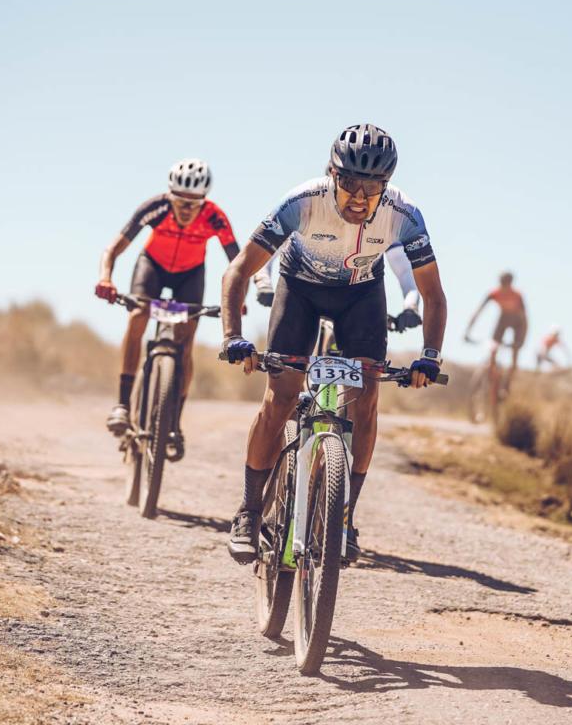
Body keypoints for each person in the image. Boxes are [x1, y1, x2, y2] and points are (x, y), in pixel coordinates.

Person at [219, 123, 448, 564]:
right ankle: (248, 512)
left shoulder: (404, 214)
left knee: (366, 398)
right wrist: (233, 336)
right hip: (299, 289)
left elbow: (433, 294)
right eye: (350, 184)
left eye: (373, 187)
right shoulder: (302, 202)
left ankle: (344, 517)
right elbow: (239, 270)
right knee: (281, 397)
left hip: (361, 295)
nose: (360, 198)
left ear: (386, 185)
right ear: (332, 174)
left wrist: (430, 356)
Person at [94, 158, 239, 459]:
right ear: (169, 195)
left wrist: (237, 299)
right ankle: (122, 405)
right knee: (138, 315)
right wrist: (105, 278)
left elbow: (238, 264)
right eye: (180, 201)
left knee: (185, 343)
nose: (186, 209)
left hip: (191, 275)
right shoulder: (156, 208)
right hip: (153, 267)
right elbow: (112, 249)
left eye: (193, 203)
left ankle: (174, 424)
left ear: (204, 200)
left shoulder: (215, 217)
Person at [252, 241, 423, 332]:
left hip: (356, 300)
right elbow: (265, 255)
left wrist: (410, 307)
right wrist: (264, 285)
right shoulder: (308, 212)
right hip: (308, 296)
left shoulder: (382, 223)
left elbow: (405, 273)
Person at [464, 272, 527, 403]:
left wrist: (521, 341)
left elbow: (525, 320)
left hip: (518, 323)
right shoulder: (493, 294)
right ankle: (491, 376)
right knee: (493, 348)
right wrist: (467, 331)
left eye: (506, 285)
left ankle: (506, 385)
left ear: (511, 284)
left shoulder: (517, 296)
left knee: (514, 355)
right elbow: (478, 312)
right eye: (502, 285)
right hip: (504, 319)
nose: (504, 288)